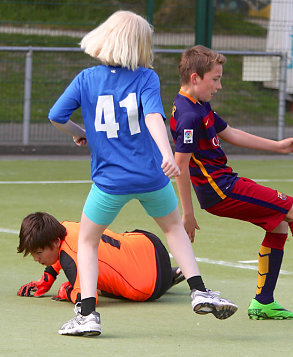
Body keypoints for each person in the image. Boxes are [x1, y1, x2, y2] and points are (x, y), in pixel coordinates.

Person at [48, 12, 236, 336]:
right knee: (175, 228)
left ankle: (87, 315)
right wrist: (167, 155)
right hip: (151, 177)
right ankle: (199, 290)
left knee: (89, 242)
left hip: (109, 182)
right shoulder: (146, 77)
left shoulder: (86, 78)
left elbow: (56, 116)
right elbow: (153, 118)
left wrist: (81, 132)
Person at [170, 45, 293, 321]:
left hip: (224, 184)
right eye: (215, 79)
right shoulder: (189, 116)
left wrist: (277, 146)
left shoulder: (196, 104)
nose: (219, 85)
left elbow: (230, 133)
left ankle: (263, 302)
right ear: (195, 78)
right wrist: (187, 213)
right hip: (221, 190)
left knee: (277, 224)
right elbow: (179, 166)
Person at [17, 212, 185, 303]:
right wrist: (47, 278)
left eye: (38, 253)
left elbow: (86, 297)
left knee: (95, 285)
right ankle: (170, 273)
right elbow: (65, 252)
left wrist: (66, 291)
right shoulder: (64, 227)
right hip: (150, 243)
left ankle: (167, 276)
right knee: (113, 247)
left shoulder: (70, 260)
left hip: (149, 290)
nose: (36, 259)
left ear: (55, 242)